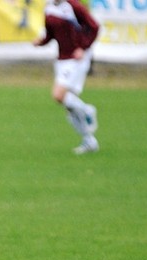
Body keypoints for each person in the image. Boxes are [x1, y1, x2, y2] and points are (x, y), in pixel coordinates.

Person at [33, 0, 100, 155]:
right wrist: (41, 42)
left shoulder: (73, 6)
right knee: (70, 107)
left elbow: (94, 27)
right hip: (62, 60)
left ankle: (88, 110)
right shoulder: (49, 8)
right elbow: (50, 34)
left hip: (76, 59)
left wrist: (83, 47)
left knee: (58, 95)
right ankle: (89, 141)